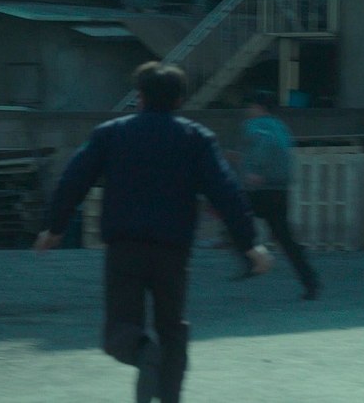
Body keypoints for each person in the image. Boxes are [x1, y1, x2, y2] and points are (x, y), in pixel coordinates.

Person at [34, 61, 272, 403]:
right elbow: (225, 191)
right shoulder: (196, 138)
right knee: (172, 329)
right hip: (172, 251)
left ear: (140, 97)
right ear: (179, 100)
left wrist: (54, 228)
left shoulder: (110, 133)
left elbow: (74, 179)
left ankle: (143, 351)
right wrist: (249, 244)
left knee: (120, 328)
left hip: (125, 248)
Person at [240, 90, 321, 300]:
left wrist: (256, 169)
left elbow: (266, 144)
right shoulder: (281, 126)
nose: (248, 110)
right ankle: (310, 281)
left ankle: (252, 261)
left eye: (251, 106)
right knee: (284, 238)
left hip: (260, 189)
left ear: (259, 107)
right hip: (280, 189)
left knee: (235, 218)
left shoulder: (257, 125)